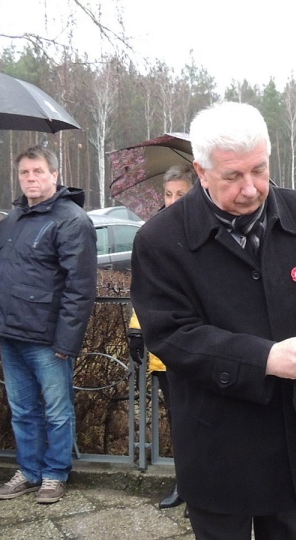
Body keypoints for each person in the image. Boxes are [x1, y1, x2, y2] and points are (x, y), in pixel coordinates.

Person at [130, 102, 296, 540]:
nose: (251, 189)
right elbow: (171, 335)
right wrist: (265, 358)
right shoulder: (159, 240)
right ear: (201, 171)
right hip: (219, 446)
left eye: (260, 170)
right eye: (233, 176)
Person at [0, 146, 97, 505]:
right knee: (22, 409)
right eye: (25, 173)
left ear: (55, 175)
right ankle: (30, 470)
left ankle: (54, 474)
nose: (31, 178)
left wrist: (66, 341)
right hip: (11, 331)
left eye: (38, 171)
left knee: (56, 410)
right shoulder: (13, 218)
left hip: (48, 336)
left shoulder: (71, 220)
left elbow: (80, 288)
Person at [127, 163, 195, 510]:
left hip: (200, 348)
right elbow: (145, 290)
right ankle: (185, 484)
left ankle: (204, 489)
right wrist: (137, 328)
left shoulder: (204, 232)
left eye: (180, 194)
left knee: (203, 423)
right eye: (168, 195)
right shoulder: (154, 234)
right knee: (179, 421)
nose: (172, 201)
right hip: (165, 348)